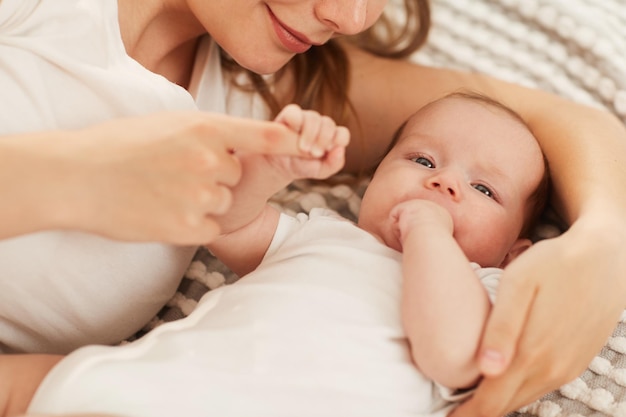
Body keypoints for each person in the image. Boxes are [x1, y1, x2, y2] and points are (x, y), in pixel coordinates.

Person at [1, 1, 625, 415]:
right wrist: (69, 179)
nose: (350, 15)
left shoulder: (275, 88)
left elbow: (550, 122)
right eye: (422, 164)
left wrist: (603, 247)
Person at [3, 93, 550, 417]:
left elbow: (449, 354)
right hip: (144, 383)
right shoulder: (323, 235)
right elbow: (228, 224)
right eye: (423, 159)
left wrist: (429, 234)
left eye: (484, 190)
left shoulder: (484, 291)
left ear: (513, 253)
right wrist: (271, 167)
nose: (445, 184)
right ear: (374, 180)